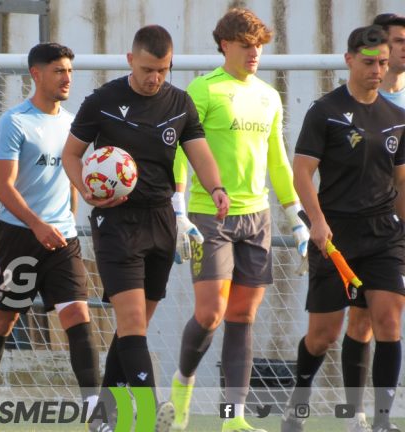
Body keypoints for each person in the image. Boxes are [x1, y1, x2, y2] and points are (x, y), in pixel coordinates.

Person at [62, 26, 229, 432]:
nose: (155, 78)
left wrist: (217, 187)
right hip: (116, 221)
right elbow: (71, 154)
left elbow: (200, 153)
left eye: (163, 70)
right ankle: (152, 414)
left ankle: (102, 415)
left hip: (161, 221)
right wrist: (86, 190)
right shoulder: (103, 101)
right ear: (129, 60)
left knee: (132, 326)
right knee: (134, 322)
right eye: (148, 69)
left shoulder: (180, 103)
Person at [170, 8, 310, 432]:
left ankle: (233, 418)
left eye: (260, 46)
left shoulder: (268, 96)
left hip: (258, 217)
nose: (255, 53)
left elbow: (278, 161)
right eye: (247, 45)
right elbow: (180, 151)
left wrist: (296, 216)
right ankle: (183, 385)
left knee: (242, 318)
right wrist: (178, 210)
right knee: (211, 313)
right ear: (226, 45)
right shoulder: (202, 89)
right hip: (208, 215)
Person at [0, 43, 101, 432]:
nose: (66, 78)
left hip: (63, 239)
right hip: (19, 238)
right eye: (58, 71)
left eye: (69, 71)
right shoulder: (15, 122)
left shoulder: (75, 123)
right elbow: (3, 187)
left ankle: (94, 413)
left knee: (78, 315)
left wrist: (69, 220)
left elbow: (74, 174)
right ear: (36, 74)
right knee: (2, 321)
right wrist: (37, 224)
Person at [281, 25, 405, 432]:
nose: (377, 70)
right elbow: (302, 173)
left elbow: (401, 182)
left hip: (385, 235)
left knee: (388, 320)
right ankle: (297, 404)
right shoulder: (326, 111)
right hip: (335, 238)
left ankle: (380, 421)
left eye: (383, 63)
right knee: (323, 336)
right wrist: (316, 220)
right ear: (349, 60)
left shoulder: (397, 118)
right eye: (369, 63)